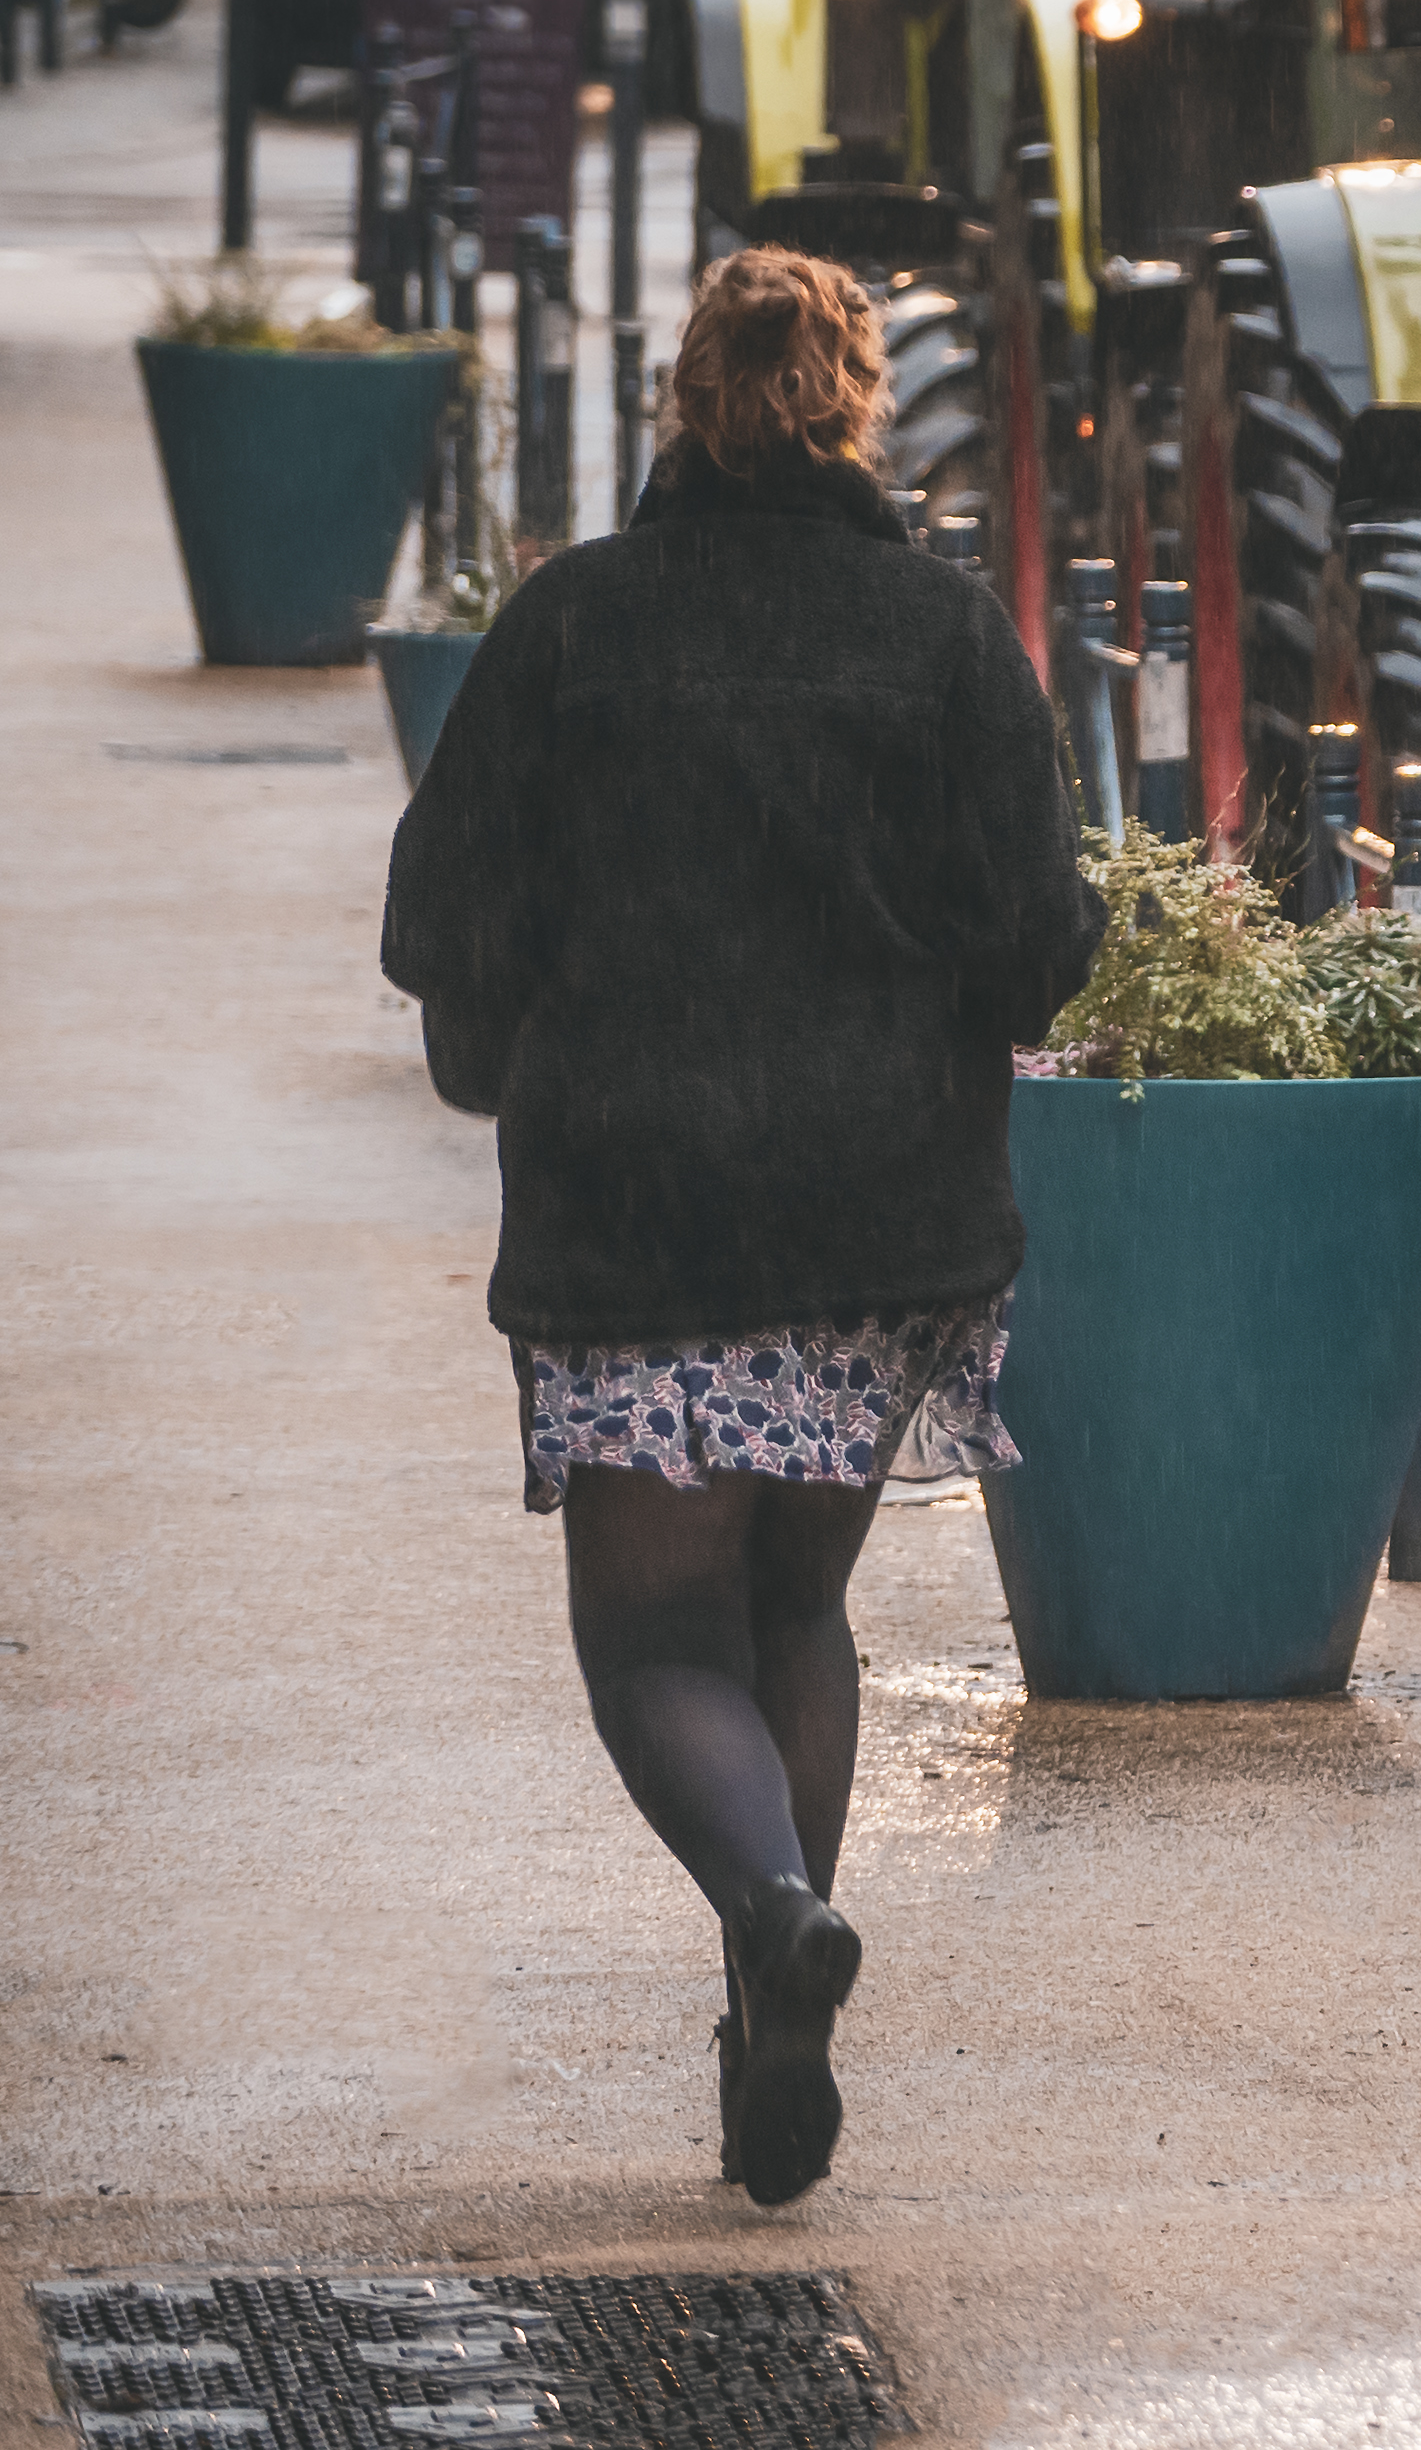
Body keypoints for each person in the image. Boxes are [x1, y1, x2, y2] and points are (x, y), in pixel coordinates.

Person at [383, 246, 1100, 2208]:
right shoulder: (949, 639)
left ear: (681, 401)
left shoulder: (569, 628)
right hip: (880, 1239)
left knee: (649, 1637)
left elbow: (434, 927)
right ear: (862, 403)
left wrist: (514, 1030)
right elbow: (1039, 950)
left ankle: (776, 1910)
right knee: (796, 1611)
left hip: (638, 1225)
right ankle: (766, 1987)